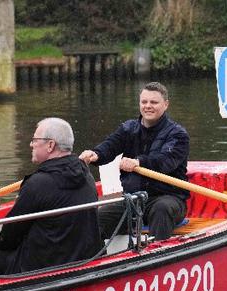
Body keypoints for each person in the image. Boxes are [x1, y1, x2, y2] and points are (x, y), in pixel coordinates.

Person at [0, 118, 101, 275]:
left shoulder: (37, 183)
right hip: (80, 258)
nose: (31, 144)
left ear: (50, 145)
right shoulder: (86, 176)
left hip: (40, 266)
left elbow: (10, 234)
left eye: (35, 140)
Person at [78, 81, 189, 241]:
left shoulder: (178, 134)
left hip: (167, 197)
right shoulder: (128, 128)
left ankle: (157, 256)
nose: (148, 106)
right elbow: (110, 146)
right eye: (144, 102)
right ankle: (95, 258)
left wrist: (139, 162)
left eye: (154, 102)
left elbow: (166, 161)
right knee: (98, 217)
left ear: (166, 104)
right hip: (133, 199)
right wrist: (95, 154)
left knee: (161, 209)